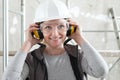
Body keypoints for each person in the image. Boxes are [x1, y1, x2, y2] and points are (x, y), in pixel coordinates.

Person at [3, 0, 108, 80]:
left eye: (61, 26)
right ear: (39, 31)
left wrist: (79, 38)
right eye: (48, 27)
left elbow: (101, 71)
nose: (55, 34)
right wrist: (28, 43)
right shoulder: (31, 60)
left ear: (69, 28)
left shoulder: (77, 56)